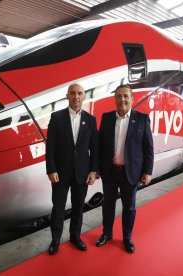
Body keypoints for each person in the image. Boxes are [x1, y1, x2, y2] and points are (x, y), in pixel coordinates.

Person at [96, 84, 154, 253]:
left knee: (129, 207)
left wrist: (147, 171)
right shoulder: (106, 118)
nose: (122, 99)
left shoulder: (142, 119)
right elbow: (100, 146)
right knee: (108, 205)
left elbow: (148, 148)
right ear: (115, 99)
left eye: (125, 96)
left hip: (131, 172)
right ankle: (106, 234)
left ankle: (127, 238)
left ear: (132, 99)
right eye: (119, 96)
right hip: (110, 171)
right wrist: (97, 167)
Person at [45, 83, 98, 255]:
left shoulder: (90, 120)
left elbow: (95, 148)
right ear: (67, 96)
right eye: (73, 93)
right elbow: (50, 146)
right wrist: (51, 169)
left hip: (82, 174)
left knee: (78, 208)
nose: (76, 97)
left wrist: (93, 171)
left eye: (80, 93)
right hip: (60, 173)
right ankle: (55, 240)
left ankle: (75, 237)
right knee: (58, 208)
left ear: (84, 96)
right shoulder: (57, 117)